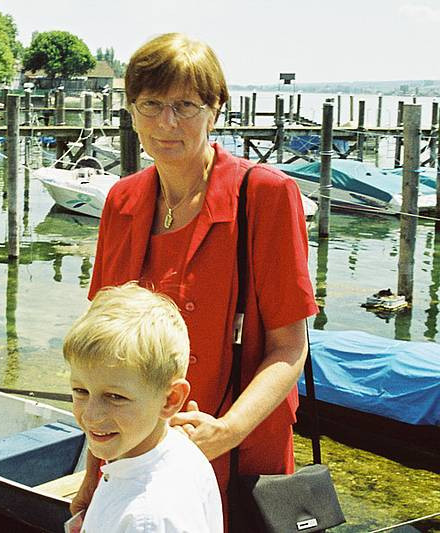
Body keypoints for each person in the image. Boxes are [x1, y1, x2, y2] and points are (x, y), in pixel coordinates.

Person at [73, 33, 317, 530]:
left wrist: (228, 431)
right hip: (136, 456)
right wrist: (91, 482)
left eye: (185, 105)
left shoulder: (266, 196)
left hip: (245, 451)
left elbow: (290, 348)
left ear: (216, 109)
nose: (167, 123)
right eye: (152, 104)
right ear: (131, 109)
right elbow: (102, 362)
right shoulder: (121, 201)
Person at [63, 282, 222, 533]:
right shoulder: (180, 453)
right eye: (81, 391)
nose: (90, 416)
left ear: (170, 400)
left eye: (115, 397)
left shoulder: (146, 519)